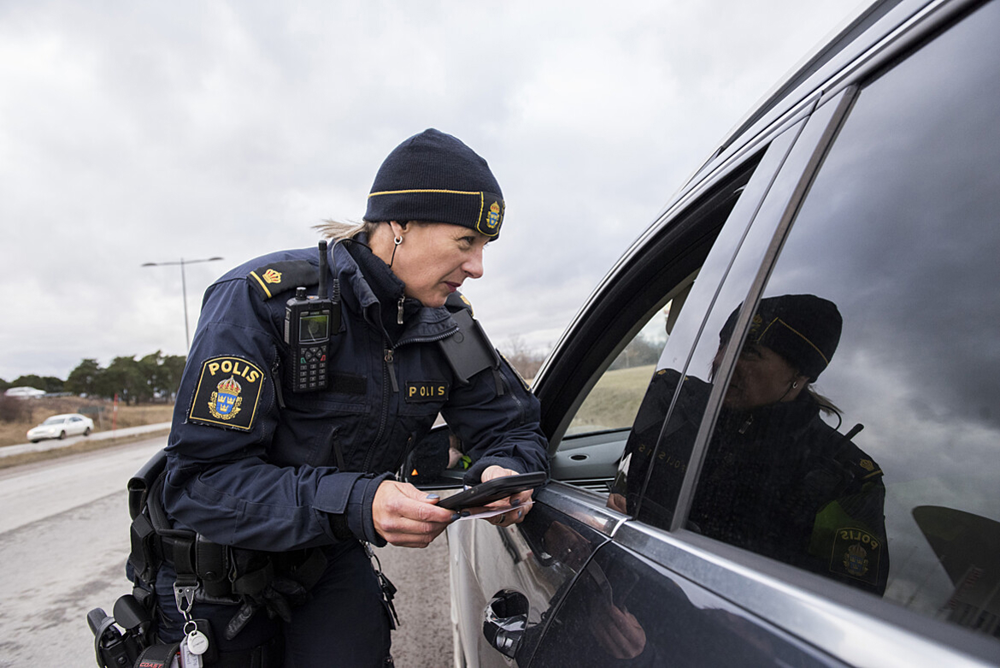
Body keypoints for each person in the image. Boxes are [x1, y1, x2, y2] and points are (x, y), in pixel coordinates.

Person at [134, 129, 548, 667]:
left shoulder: (448, 328)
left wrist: (501, 472)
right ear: (400, 224)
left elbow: (512, 427)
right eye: (465, 242)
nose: (478, 267)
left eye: (484, 247)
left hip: (326, 562)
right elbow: (202, 483)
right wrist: (358, 500)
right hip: (216, 577)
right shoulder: (261, 302)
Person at [610, 294, 889, 594]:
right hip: (623, 591)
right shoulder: (671, 404)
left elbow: (842, 606)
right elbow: (617, 496)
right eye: (723, 345)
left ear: (800, 376)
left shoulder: (844, 479)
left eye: (750, 352)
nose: (721, 361)